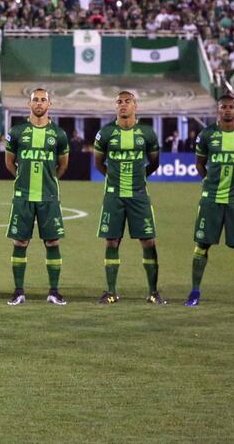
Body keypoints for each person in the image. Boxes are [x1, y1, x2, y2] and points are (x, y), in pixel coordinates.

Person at [184, 95, 234, 307]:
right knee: (202, 246)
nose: (227, 110)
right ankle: (194, 292)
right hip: (212, 200)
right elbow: (200, 164)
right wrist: (209, 182)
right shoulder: (207, 135)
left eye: (231, 106)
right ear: (218, 110)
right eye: (223, 107)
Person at [93, 91, 165, 305]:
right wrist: (113, 179)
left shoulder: (147, 133)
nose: (123, 105)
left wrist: (139, 178)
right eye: (119, 102)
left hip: (138, 195)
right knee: (112, 241)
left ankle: (153, 292)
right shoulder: (105, 133)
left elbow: (154, 162)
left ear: (136, 106)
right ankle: (111, 291)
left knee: (148, 240)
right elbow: (99, 162)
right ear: (115, 107)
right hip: (114, 196)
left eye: (127, 102)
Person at [3, 88, 70, 306]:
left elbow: (63, 165)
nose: (39, 103)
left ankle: (54, 292)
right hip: (23, 197)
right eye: (35, 100)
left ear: (49, 104)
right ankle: (18, 291)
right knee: (20, 242)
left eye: (43, 100)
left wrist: (48, 182)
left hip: (48, 197)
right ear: (29, 104)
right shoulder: (17, 131)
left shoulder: (58, 134)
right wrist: (22, 178)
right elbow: (9, 162)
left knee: (52, 241)